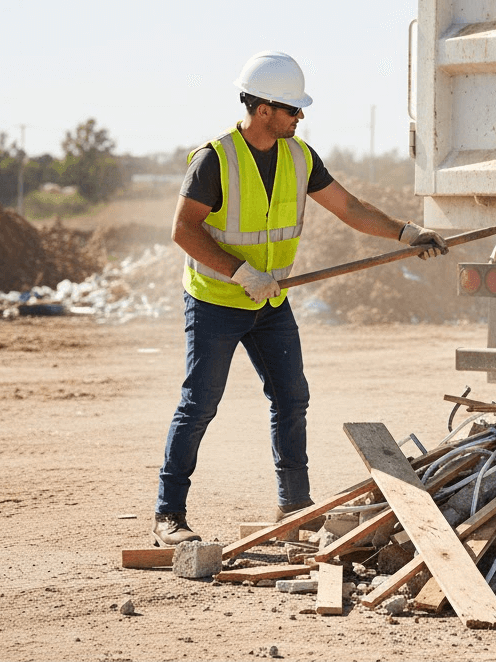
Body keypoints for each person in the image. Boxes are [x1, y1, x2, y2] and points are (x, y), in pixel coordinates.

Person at [152, 51, 449, 547]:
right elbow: (184, 230)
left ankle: (294, 505)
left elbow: (349, 207)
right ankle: (168, 515)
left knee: (292, 399)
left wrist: (407, 232)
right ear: (263, 109)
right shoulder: (215, 158)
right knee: (199, 405)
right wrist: (241, 272)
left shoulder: (299, 156)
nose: (301, 117)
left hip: (269, 304)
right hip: (215, 302)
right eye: (292, 109)